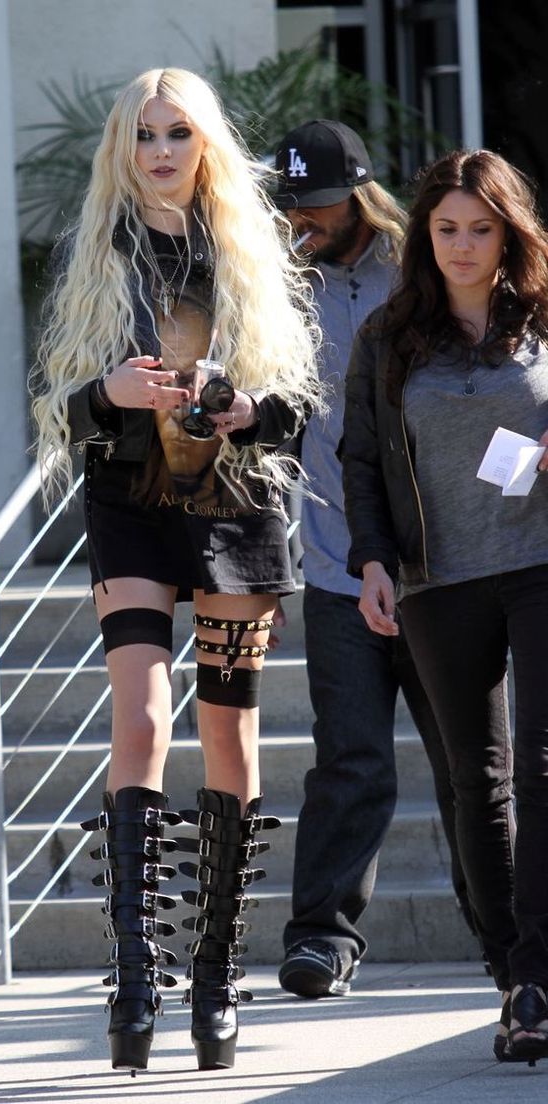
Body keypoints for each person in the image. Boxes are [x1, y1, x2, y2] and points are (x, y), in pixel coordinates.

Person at [32, 68, 320, 1073]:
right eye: (145, 133)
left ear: (205, 146)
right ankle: (133, 973)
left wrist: (246, 408)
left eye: (178, 133)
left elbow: (294, 404)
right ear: (125, 146)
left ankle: (214, 977)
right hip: (129, 513)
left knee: (228, 734)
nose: (160, 149)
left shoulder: (246, 252)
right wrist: (107, 392)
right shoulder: (100, 254)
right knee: (143, 718)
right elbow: (64, 415)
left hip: (237, 511)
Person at [343, 147, 548, 1064]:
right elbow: (358, 461)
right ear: (424, 236)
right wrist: (374, 560)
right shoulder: (387, 338)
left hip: (541, 562)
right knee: (480, 781)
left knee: (541, 770)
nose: (464, 247)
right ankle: (514, 975)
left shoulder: (545, 320)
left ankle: (541, 973)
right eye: (447, 229)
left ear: (510, 233)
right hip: (436, 578)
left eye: (481, 229)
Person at [271, 120, 473, 999]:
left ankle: (507, 937)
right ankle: (322, 938)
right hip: (331, 565)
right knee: (349, 759)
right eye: (289, 205)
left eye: (315, 204)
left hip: (443, 565)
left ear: (357, 192)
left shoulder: (423, 269)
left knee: (472, 763)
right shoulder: (271, 289)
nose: (299, 220)